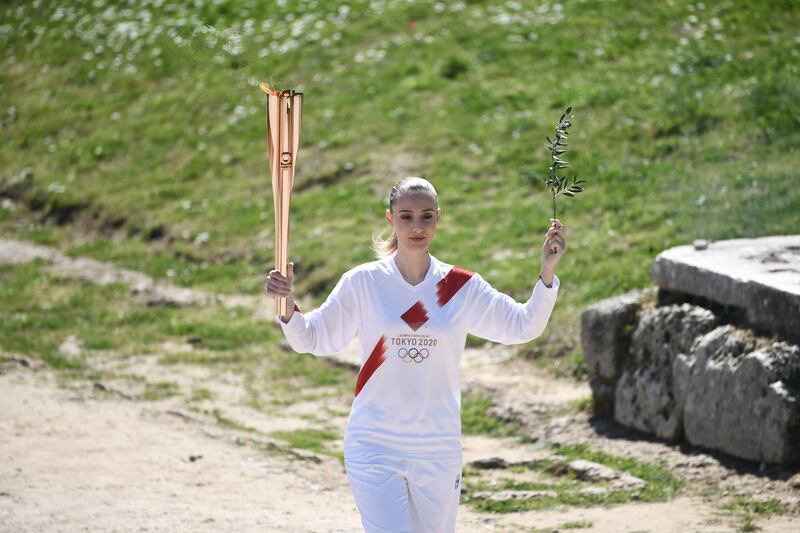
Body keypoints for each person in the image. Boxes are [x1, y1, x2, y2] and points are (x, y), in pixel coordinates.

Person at [265, 176, 566, 533]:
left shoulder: (460, 287)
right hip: (375, 442)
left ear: (438, 218)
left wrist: (547, 273)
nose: (416, 226)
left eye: (425, 216)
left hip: (437, 446)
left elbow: (524, 325)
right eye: (406, 217)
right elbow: (312, 338)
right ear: (390, 219)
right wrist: (287, 306)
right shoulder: (365, 282)